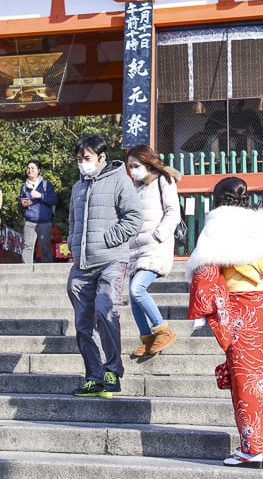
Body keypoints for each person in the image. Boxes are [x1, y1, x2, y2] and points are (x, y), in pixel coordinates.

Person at [186, 176, 263, 468]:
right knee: (262, 379)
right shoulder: (262, 223)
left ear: (217, 199)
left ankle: (252, 450)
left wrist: (203, 311)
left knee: (246, 379)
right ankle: (256, 445)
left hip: (243, 307)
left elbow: (205, 271)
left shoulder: (218, 224)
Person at [66, 134, 143, 397]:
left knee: (105, 310)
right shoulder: (78, 187)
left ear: (101, 158)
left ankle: (112, 369)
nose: (82, 163)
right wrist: (73, 242)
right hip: (82, 263)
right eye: (79, 159)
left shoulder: (120, 179)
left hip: (111, 259)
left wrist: (110, 238)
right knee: (82, 324)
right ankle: (93, 376)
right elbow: (73, 222)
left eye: (86, 159)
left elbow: (134, 217)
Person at [126, 144, 182, 357]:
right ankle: (147, 339)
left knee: (137, 289)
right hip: (136, 249)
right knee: (133, 296)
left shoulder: (163, 181)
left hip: (156, 247)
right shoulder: (136, 188)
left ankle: (163, 330)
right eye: (130, 166)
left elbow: (173, 213)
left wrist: (157, 235)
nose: (133, 170)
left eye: (136, 165)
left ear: (148, 163)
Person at [18, 160, 58, 264]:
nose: (30, 170)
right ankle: (25, 273)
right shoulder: (24, 187)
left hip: (44, 221)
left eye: (32, 168)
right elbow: (20, 202)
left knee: (45, 248)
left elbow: (54, 200)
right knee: (27, 247)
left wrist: (40, 196)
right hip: (29, 221)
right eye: (28, 168)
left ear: (38, 171)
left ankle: (47, 274)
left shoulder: (46, 185)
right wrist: (22, 204)